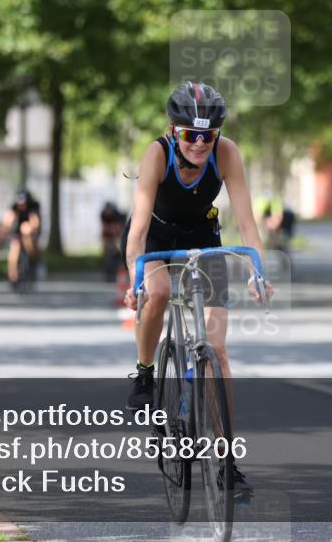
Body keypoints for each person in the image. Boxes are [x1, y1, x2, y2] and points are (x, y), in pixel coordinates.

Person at [121, 81, 271, 493]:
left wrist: (258, 270)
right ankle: (145, 373)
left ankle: (226, 459)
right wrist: (137, 277)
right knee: (160, 293)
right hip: (155, 237)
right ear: (174, 131)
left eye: (208, 135)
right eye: (190, 135)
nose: (200, 144)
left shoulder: (227, 153)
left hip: (203, 236)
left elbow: (247, 221)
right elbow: (137, 228)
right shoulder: (157, 153)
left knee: (218, 350)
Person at [2, 189, 42, 285]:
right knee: (14, 247)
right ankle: (13, 273)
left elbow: (35, 222)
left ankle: (34, 261)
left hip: (30, 232)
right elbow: (8, 220)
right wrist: (5, 228)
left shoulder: (33, 207)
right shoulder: (14, 207)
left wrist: (30, 227)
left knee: (27, 235)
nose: (21, 206)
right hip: (18, 231)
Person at [100, 201, 127, 281]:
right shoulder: (103, 215)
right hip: (109, 233)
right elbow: (104, 227)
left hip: (119, 232)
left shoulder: (118, 215)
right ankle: (108, 272)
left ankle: (122, 270)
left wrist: (117, 243)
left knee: (119, 250)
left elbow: (119, 229)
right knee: (107, 252)